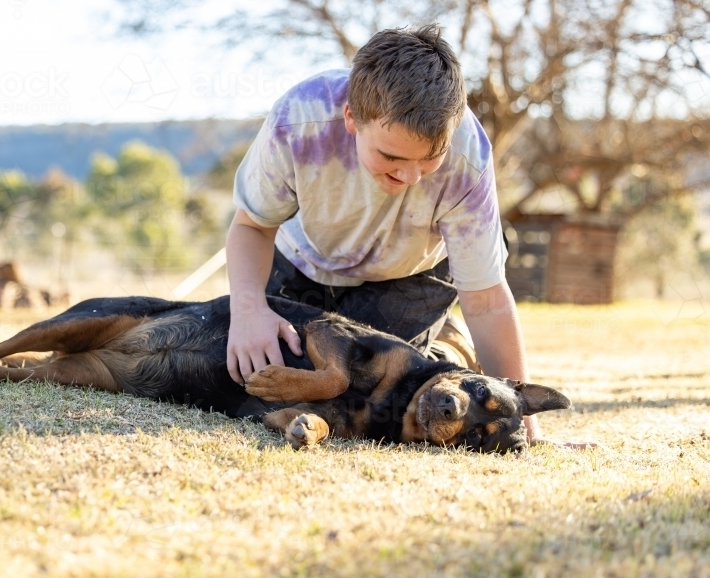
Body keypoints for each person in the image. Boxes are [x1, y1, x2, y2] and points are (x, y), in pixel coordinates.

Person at [225, 24, 577, 446]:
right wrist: (248, 310)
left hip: (411, 277)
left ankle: (446, 345)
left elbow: (485, 299)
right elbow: (251, 226)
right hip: (305, 261)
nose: (410, 176)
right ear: (352, 117)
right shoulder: (299, 119)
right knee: (279, 369)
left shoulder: (468, 157)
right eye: (390, 156)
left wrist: (529, 433)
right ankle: (441, 337)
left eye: (430, 159)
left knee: (374, 390)